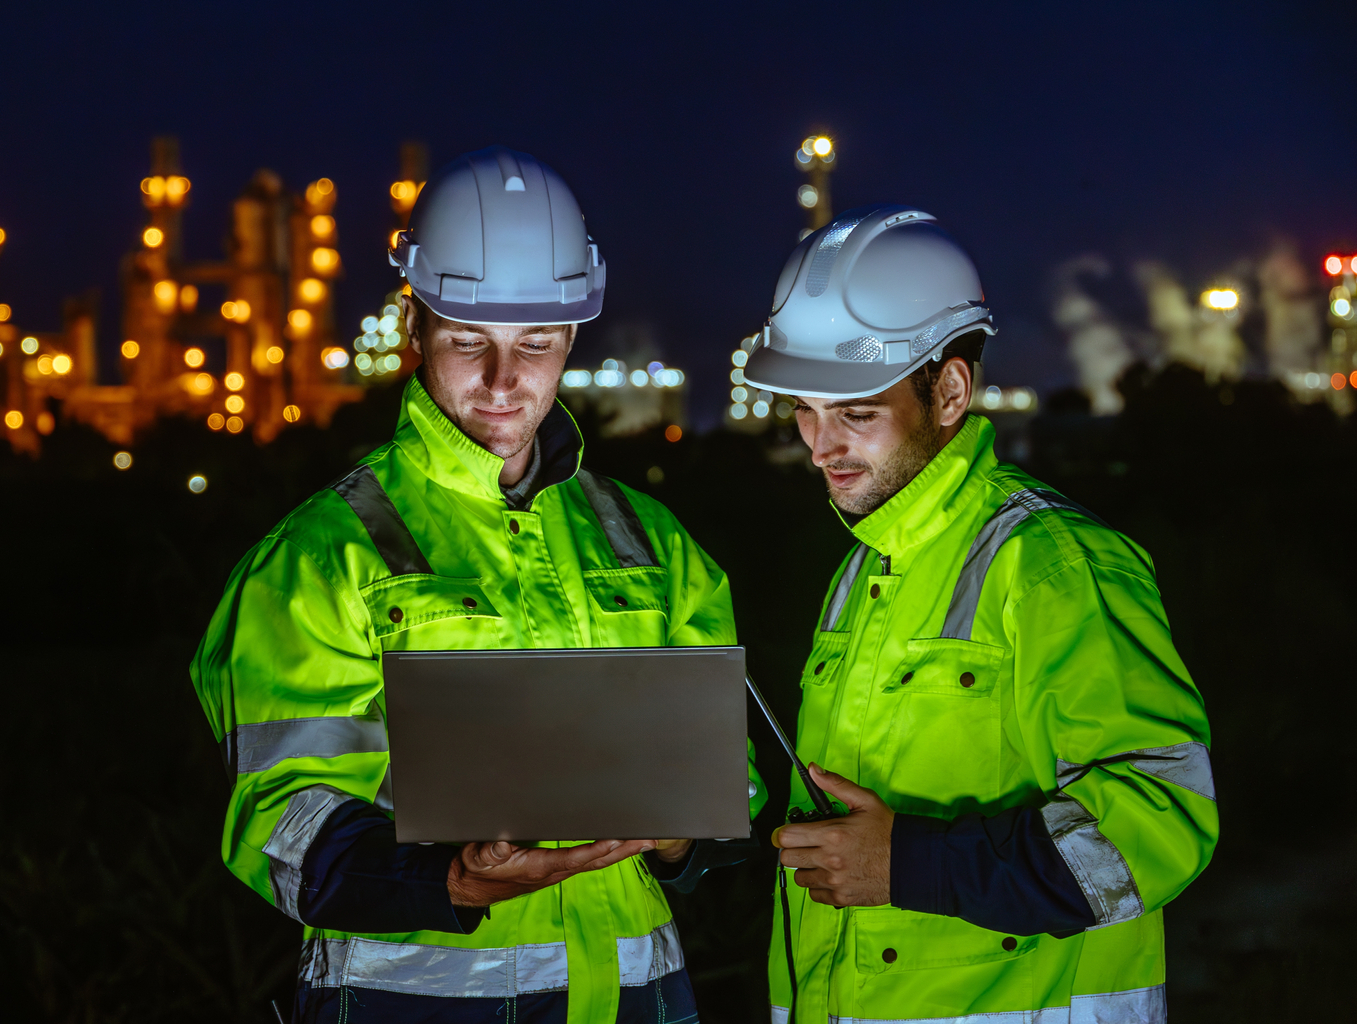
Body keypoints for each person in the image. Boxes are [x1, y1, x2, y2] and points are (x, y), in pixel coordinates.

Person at [190, 146, 765, 1024]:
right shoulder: (319, 556)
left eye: (534, 344)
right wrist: (450, 877)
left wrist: (687, 828)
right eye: (469, 342)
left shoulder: (652, 546)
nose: (504, 380)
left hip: (639, 1000)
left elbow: (738, 780)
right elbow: (279, 817)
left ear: (572, 335)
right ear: (415, 325)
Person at [741, 204, 1217, 1024]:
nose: (820, 446)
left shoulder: (1056, 565)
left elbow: (1161, 819)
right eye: (805, 410)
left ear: (950, 390)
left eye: (855, 412)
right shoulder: (863, 568)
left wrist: (910, 866)